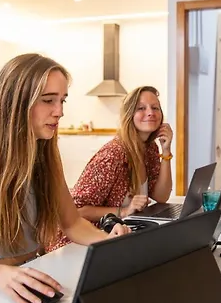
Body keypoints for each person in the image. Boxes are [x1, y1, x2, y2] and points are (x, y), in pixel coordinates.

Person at [0, 54, 129, 303]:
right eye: (48, 100)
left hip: (33, 280)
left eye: (62, 100)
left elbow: (72, 223)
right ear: (16, 102)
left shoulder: (45, 157)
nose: (59, 112)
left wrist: (115, 245)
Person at [47, 85, 173, 251]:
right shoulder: (113, 155)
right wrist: (124, 211)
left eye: (155, 107)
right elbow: (78, 211)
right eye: (141, 108)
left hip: (118, 238)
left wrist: (166, 151)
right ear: (129, 115)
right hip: (82, 244)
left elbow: (161, 196)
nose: (150, 112)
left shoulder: (149, 149)